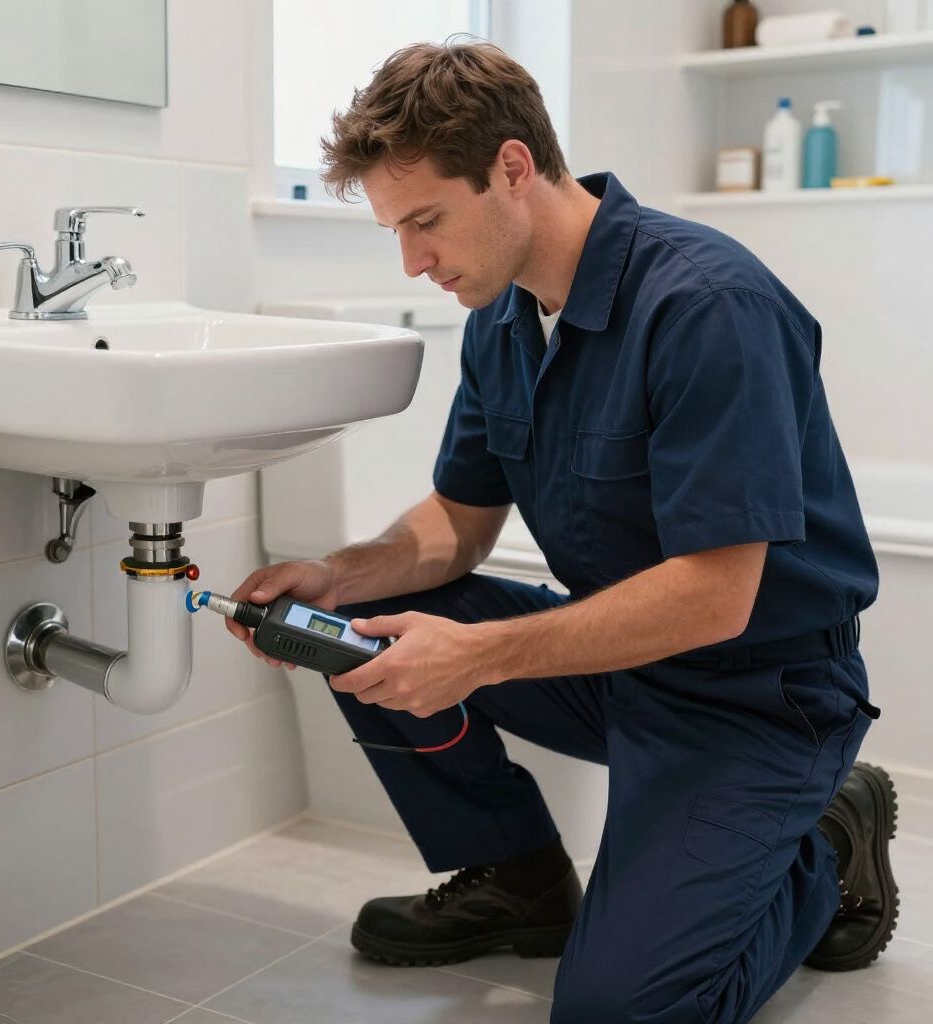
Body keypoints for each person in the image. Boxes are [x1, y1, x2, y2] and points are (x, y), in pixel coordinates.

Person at [228, 40, 898, 1024]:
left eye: (425, 221)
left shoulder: (706, 306)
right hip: (626, 662)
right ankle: (518, 880)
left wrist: (481, 656)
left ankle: (822, 845)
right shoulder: (498, 320)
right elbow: (454, 526)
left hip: (760, 694)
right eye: (394, 230)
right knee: (362, 617)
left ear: (509, 169)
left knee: (614, 1012)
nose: (413, 261)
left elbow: (717, 595)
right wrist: (336, 574)